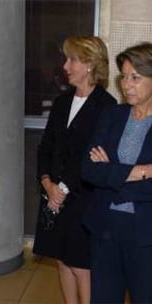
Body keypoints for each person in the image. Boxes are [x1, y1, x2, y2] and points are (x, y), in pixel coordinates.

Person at [32, 36, 116, 304]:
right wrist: (47, 183)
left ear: (90, 64)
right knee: (62, 261)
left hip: (83, 199)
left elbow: (91, 157)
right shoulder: (62, 101)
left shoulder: (106, 106)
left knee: (81, 265)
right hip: (54, 196)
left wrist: (62, 189)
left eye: (72, 59)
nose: (65, 65)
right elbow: (45, 147)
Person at [82, 42, 152, 303]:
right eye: (123, 76)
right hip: (104, 226)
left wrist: (112, 173)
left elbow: (103, 173)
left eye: (136, 77)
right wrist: (142, 171)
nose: (126, 84)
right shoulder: (113, 115)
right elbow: (89, 169)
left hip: (145, 234)